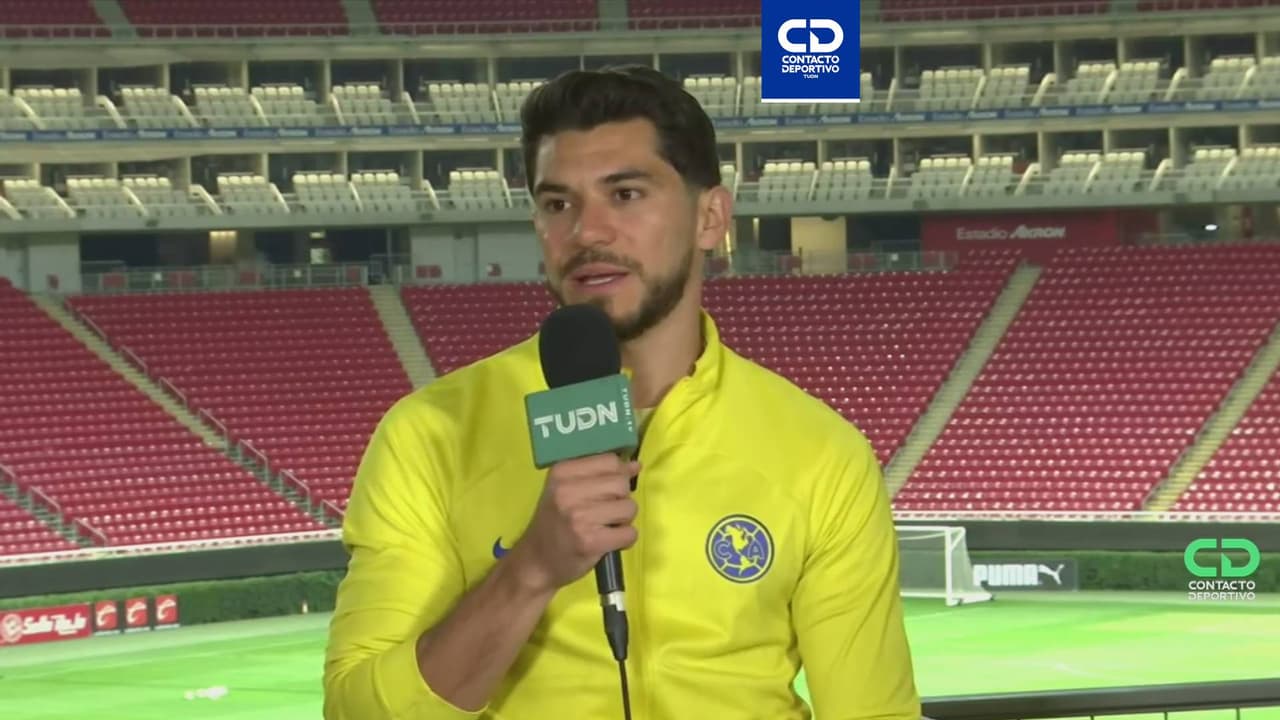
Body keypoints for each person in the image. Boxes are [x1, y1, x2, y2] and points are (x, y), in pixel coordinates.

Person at [323, 65, 920, 720]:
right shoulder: (429, 433)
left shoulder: (821, 452)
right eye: (558, 204)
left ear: (710, 217)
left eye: (626, 194)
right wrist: (530, 571)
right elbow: (358, 711)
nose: (587, 232)